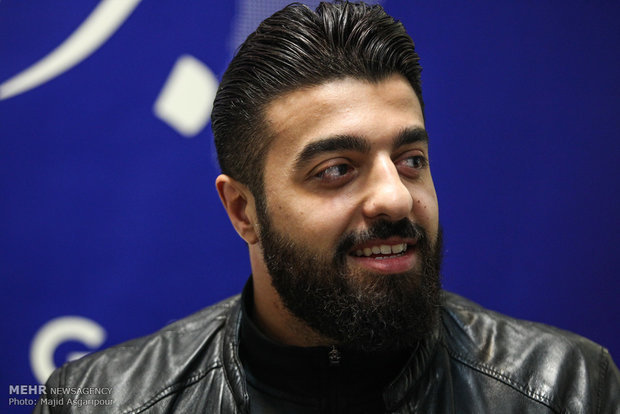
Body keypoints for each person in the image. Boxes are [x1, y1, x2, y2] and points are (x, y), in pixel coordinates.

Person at [34, 2, 619, 413]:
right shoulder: (101, 402)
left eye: (411, 159)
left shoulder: (565, 389)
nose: (396, 197)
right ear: (242, 211)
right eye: (336, 169)